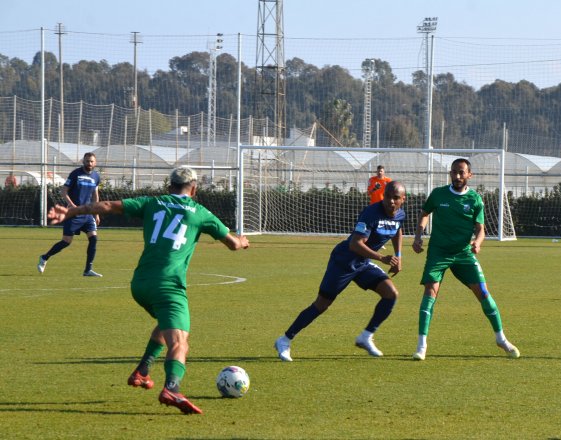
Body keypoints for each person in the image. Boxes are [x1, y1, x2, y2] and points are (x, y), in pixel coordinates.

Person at [47, 167, 249, 415]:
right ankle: (172, 388)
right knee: (180, 341)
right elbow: (233, 244)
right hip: (168, 286)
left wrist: (72, 211)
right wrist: (243, 241)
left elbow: (108, 206)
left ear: (169, 186)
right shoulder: (201, 213)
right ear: (194, 189)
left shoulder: (152, 203)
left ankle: (142, 370)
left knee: (166, 324)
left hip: (140, 283)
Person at [273, 181, 407, 360]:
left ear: (402, 200)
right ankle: (285, 340)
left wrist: (398, 256)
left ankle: (366, 337)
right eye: (388, 196)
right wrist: (382, 258)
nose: (391, 201)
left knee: (391, 294)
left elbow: (397, 230)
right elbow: (355, 244)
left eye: (395, 198)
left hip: (363, 263)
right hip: (344, 261)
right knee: (321, 305)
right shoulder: (371, 213)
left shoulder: (400, 215)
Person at [411, 158, 519, 361]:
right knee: (430, 292)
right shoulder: (438, 194)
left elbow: (481, 230)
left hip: (463, 254)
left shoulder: (475, 200)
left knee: (483, 292)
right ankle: (421, 345)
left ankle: (501, 338)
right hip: (439, 253)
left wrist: (477, 243)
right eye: (454, 172)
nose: (457, 176)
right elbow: (425, 214)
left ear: (470, 175)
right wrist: (418, 235)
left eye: (461, 172)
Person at [38, 152, 103, 276]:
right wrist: (72, 206)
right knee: (66, 241)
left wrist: (97, 213)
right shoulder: (75, 174)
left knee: (94, 238)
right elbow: (64, 191)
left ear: (95, 163)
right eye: (87, 161)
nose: (89, 163)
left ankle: (88, 270)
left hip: (88, 214)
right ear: (83, 161)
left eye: (91, 161)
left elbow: (95, 195)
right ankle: (44, 257)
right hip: (73, 214)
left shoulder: (96, 176)